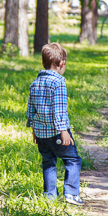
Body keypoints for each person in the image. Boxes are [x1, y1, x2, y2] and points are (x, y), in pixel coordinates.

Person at [26, 42, 83, 205]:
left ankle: (49, 195)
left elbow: (31, 109)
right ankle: (71, 194)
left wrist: (34, 130)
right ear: (62, 64)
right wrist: (63, 130)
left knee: (48, 162)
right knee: (72, 160)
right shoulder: (58, 82)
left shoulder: (35, 83)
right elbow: (59, 110)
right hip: (57, 132)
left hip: (42, 134)